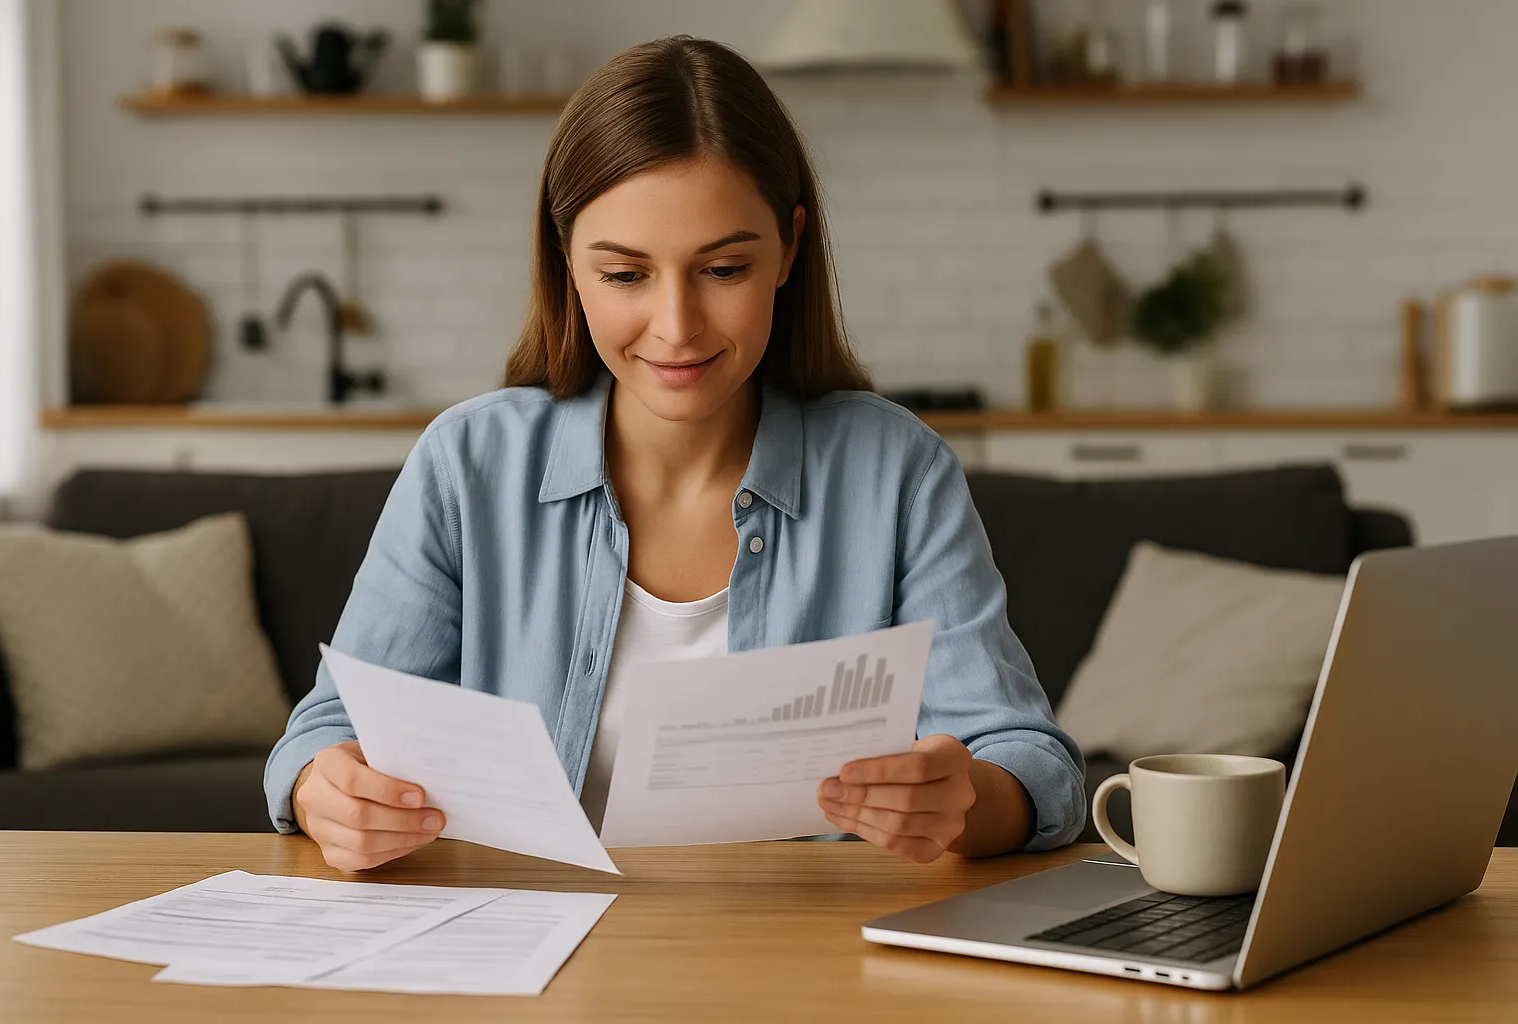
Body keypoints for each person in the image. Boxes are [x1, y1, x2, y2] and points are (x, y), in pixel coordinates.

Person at [265, 35, 1085, 873]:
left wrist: (967, 802)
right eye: (625, 276)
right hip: (525, 965)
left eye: (724, 268)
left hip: (805, 963)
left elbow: (1032, 762)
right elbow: (327, 734)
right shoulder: (466, 464)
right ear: (566, 264)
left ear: (789, 251)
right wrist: (323, 792)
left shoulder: (898, 474)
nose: (677, 326)